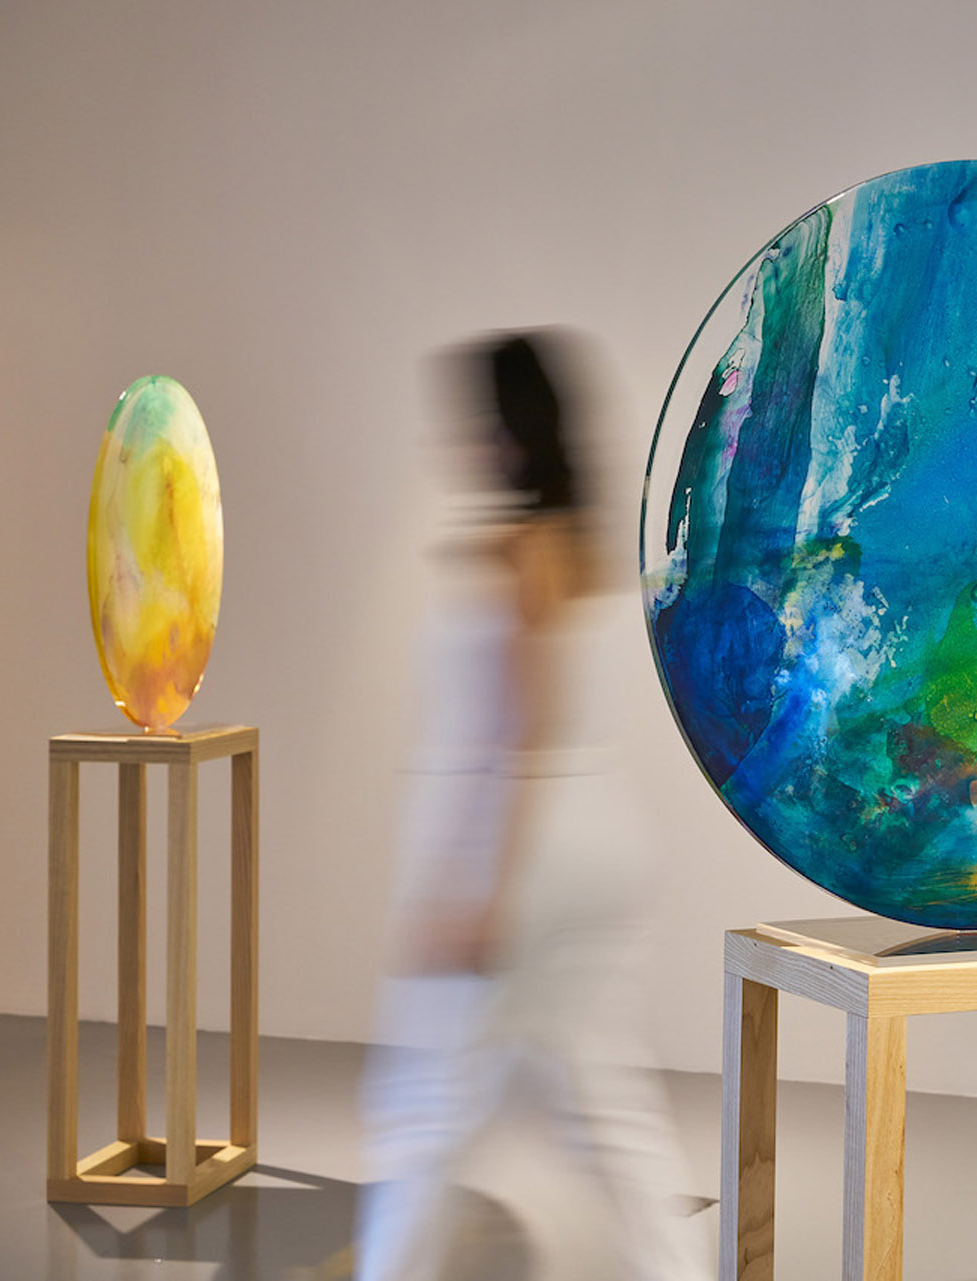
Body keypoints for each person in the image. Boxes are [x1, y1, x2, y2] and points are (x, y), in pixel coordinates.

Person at [353, 332, 708, 1281]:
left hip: (526, 843)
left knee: (424, 1104)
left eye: (478, 423)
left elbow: (524, 729)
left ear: (509, 432)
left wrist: (483, 891)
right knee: (605, 1106)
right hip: (603, 835)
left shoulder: (521, 556)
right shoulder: (586, 551)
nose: (463, 442)